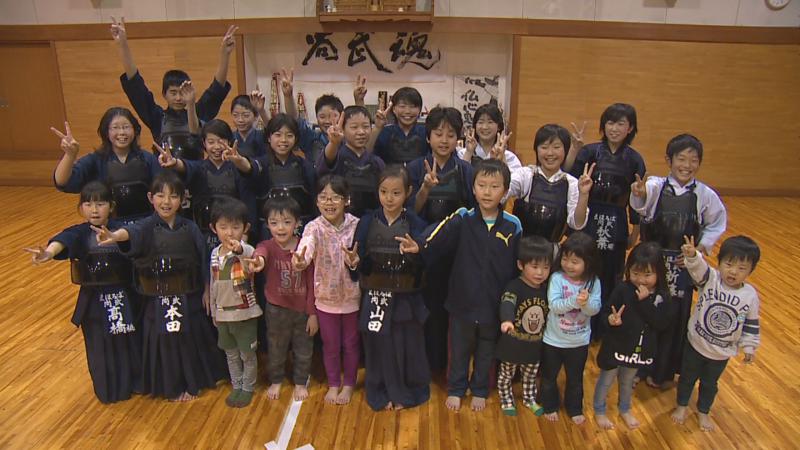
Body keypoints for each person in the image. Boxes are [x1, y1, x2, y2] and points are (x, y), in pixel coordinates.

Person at [398, 159, 521, 413]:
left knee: (486, 351)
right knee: (459, 349)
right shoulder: (463, 217)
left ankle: (480, 389)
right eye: (482, 185)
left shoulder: (513, 225)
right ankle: (456, 387)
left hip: (494, 304)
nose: (487, 192)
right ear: (473, 188)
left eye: (494, 186)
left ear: (505, 191)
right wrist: (419, 245)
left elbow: (516, 265)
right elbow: (437, 234)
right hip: (461, 300)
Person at [94, 172, 227, 401]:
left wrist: (207, 289)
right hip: (157, 299)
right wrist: (115, 236)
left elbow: (204, 260)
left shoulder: (191, 227)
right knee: (165, 344)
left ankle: (193, 382)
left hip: (189, 295)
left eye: (173, 196)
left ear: (182, 199)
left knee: (190, 340)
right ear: (150, 198)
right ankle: (172, 387)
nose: (166, 202)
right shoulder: (145, 226)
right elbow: (130, 233)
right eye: (160, 196)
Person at [24, 181, 142, 403]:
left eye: (100, 204)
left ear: (111, 206)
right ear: (81, 208)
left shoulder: (121, 228)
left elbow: (136, 236)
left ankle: (135, 383)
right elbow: (63, 240)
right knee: (99, 345)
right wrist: (48, 253)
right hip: (94, 299)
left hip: (124, 296)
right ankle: (109, 389)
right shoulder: (79, 232)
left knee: (127, 341)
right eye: (88, 204)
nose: (94, 210)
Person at [631, 133, 727, 389]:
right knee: (645, 314)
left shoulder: (705, 194)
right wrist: (639, 194)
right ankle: (638, 367)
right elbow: (641, 205)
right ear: (669, 160)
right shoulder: (656, 185)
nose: (687, 165)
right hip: (652, 263)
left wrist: (698, 252)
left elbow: (716, 223)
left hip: (682, 266)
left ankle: (662, 372)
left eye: (693, 160)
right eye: (681, 158)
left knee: (674, 318)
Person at [564, 103, 646, 341]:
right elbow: (570, 181)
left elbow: (636, 200)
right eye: (610, 122)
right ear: (603, 126)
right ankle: (575, 323)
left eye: (621, 123)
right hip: (589, 217)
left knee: (610, 274)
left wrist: (635, 231)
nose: (614, 128)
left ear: (630, 128)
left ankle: (604, 328)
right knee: (583, 270)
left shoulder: (635, 160)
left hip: (616, 220)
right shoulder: (590, 152)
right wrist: (574, 148)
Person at [351, 166, 430, 411]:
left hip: (406, 297)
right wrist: (354, 262)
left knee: (406, 345)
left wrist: (416, 252)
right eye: (384, 191)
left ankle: (405, 392)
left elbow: (425, 261)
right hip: (375, 295)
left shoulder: (415, 222)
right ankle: (380, 391)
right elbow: (359, 258)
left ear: (408, 192)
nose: (389, 198)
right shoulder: (367, 222)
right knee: (378, 347)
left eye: (396, 193)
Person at [405, 106, 475, 370]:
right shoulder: (415, 167)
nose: (444, 140)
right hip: (424, 249)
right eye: (438, 133)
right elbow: (410, 211)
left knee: (453, 309)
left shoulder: (466, 170)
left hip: (456, 251)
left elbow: (472, 211)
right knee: (427, 308)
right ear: (428, 137)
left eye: (450, 134)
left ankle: (450, 365)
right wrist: (425, 188)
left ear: (458, 138)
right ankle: (428, 363)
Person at [110, 17, 235, 159]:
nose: (178, 98)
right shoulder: (157, 117)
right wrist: (122, 45)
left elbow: (217, 89)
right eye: (173, 93)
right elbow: (135, 85)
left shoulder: (198, 112)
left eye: (182, 93)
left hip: (195, 170)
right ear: (164, 94)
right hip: (164, 172)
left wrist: (225, 54)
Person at [671, 235, 761, 432]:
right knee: (686, 378)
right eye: (728, 264)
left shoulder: (750, 296)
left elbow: (751, 324)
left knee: (710, 384)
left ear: (750, 271)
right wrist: (693, 256)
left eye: (742, 268)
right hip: (696, 344)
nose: (733, 271)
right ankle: (682, 405)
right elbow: (699, 269)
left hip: (721, 354)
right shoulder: (711, 279)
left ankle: (703, 411)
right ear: (719, 263)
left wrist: (749, 346)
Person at [292, 175, 361, 405]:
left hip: (352, 297)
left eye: (335, 197)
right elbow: (306, 247)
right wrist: (300, 260)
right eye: (323, 197)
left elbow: (361, 258)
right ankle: (333, 384)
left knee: (351, 344)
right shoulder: (313, 227)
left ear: (346, 200)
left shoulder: (357, 224)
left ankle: (348, 384)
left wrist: (355, 261)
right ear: (317, 201)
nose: (329, 202)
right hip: (325, 299)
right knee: (330, 345)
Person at [593, 242, 676, 430]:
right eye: (635, 273)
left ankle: (625, 409)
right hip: (615, 346)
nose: (640, 280)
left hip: (637, 351)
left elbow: (661, 324)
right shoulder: (622, 289)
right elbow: (606, 312)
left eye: (647, 275)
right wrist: (610, 319)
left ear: (659, 273)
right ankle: (599, 410)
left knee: (628, 381)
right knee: (605, 381)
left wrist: (645, 302)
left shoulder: (662, 296)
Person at [248, 197, 318, 402]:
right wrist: (258, 262)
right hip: (276, 309)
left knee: (304, 349)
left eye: (287, 222)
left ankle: (301, 381)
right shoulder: (266, 246)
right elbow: (260, 254)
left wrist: (312, 314)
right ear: (267, 224)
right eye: (274, 222)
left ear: (297, 223)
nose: (280, 228)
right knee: (276, 347)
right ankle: (276, 379)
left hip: (302, 310)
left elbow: (312, 283)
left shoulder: (305, 248)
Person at [158, 119, 258, 251]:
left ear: (229, 141)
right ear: (204, 143)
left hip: (233, 234)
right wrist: (175, 162)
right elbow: (186, 166)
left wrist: (244, 237)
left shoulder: (237, 169)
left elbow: (248, 198)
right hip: (204, 233)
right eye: (211, 142)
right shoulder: (199, 168)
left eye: (221, 142)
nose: (216, 147)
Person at [52, 108, 161, 222]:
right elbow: (62, 182)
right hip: (108, 224)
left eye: (126, 127)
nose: (121, 132)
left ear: (135, 130)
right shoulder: (95, 160)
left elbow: (162, 189)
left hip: (145, 222)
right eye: (115, 127)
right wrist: (70, 155)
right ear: (106, 132)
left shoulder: (148, 159)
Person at [539, 232, 602, 425]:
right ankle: (549, 405)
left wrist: (586, 303)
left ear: (588, 262)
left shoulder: (594, 282)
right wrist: (575, 301)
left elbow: (595, 309)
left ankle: (574, 408)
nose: (568, 265)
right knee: (549, 376)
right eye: (565, 259)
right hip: (553, 340)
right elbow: (554, 306)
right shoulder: (557, 278)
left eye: (575, 262)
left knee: (575, 379)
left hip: (579, 342)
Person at [208, 197, 262, 408]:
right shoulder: (214, 254)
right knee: (230, 354)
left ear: (245, 228)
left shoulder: (246, 251)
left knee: (247, 354)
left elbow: (246, 252)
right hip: (222, 315)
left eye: (235, 227)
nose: (229, 232)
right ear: (213, 228)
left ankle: (248, 388)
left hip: (244, 314)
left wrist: (238, 248)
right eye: (223, 227)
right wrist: (214, 312)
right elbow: (213, 283)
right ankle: (236, 385)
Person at [495, 236, 553, 416]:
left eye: (545, 267)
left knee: (530, 375)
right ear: (521, 265)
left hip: (534, 344)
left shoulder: (546, 289)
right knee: (506, 374)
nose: (540, 273)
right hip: (512, 344)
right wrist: (507, 320)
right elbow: (507, 302)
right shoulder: (514, 287)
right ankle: (506, 399)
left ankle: (529, 399)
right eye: (534, 267)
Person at [507, 124, 592, 242]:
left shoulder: (572, 183)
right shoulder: (525, 175)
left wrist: (584, 195)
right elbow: (503, 192)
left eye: (556, 147)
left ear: (566, 150)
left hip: (552, 250)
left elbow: (577, 223)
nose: (550, 153)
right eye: (544, 147)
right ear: (536, 150)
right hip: (521, 247)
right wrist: (499, 162)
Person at [317, 106, 385, 217]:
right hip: (341, 220)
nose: (361, 132)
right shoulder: (337, 156)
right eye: (354, 127)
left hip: (371, 220)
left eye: (366, 127)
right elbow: (327, 161)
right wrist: (333, 143)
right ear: (343, 129)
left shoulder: (377, 162)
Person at [369, 87, 430, 166]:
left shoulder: (426, 132)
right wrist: (377, 128)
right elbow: (367, 155)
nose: (407, 111)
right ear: (394, 109)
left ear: (419, 110)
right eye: (402, 106)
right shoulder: (385, 132)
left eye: (412, 106)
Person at [458, 103, 521, 170]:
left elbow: (513, 176)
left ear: (499, 126)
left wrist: (502, 158)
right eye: (480, 122)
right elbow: (459, 175)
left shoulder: (510, 157)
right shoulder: (462, 153)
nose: (485, 127)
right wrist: (468, 153)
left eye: (490, 122)